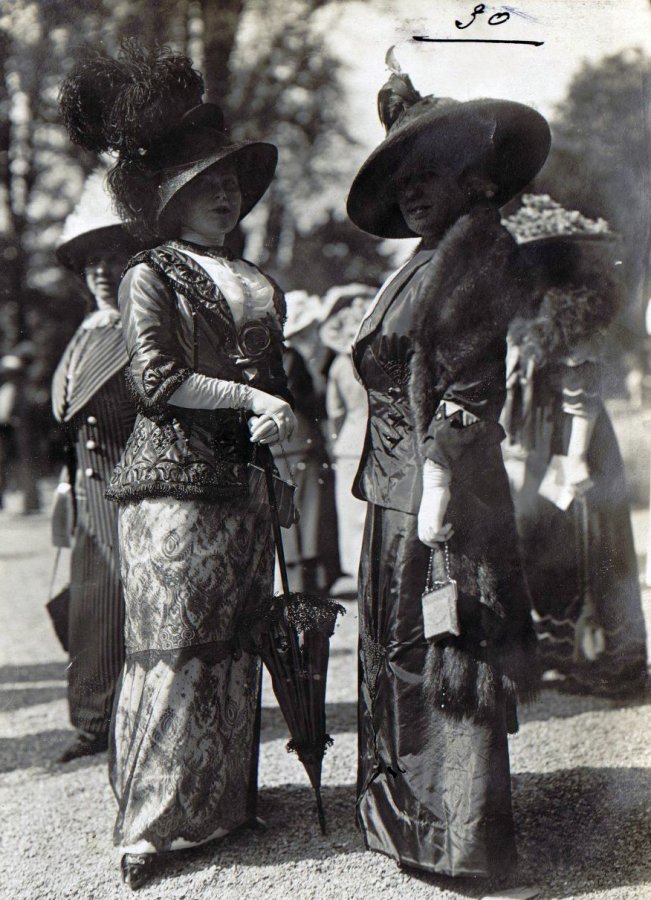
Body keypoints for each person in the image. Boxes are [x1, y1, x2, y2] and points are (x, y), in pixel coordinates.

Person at [59, 42, 296, 889]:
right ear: (169, 197)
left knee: (232, 649)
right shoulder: (147, 274)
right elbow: (156, 380)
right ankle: (151, 828)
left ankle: (219, 806)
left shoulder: (252, 276)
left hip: (243, 486)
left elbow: (274, 382)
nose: (225, 194)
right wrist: (251, 401)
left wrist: (279, 460)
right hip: (170, 488)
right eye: (205, 184)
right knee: (170, 652)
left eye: (230, 181)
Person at [345, 56, 550, 882]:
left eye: (427, 172)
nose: (411, 192)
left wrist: (434, 486)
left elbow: (469, 388)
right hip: (394, 490)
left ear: (473, 177)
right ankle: (411, 823)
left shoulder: (477, 249)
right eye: (401, 181)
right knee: (405, 648)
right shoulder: (421, 261)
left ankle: (463, 842)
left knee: (449, 650)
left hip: (444, 490)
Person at [501, 196, 648, 696]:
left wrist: (576, 457)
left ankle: (605, 654)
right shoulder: (528, 312)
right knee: (544, 534)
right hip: (541, 432)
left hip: (574, 435)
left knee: (589, 536)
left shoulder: (574, 311)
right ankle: (557, 651)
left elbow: (581, 393)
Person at [51, 169, 139, 763]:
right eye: (91, 265)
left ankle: (121, 719)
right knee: (90, 609)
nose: (102, 273)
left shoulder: (138, 328)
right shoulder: (83, 334)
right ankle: (91, 721)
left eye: (112, 259)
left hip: (129, 489)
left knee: (121, 607)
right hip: (87, 494)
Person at [320, 284, 375, 594]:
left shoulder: (340, 366)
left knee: (351, 512)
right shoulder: (375, 363)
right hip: (377, 440)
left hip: (349, 442)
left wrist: (334, 440)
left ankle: (356, 571)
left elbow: (335, 412)